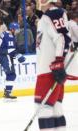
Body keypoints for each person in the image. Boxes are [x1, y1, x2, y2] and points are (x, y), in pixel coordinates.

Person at [35, 0, 71, 130]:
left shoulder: (53, 14)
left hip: (48, 71)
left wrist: (59, 62)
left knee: (43, 108)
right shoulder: (45, 18)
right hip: (51, 69)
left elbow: (62, 38)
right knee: (56, 108)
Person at [0, 22, 25, 100]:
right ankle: (7, 92)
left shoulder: (5, 34)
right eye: (16, 29)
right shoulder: (9, 36)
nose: (17, 31)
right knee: (11, 74)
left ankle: (7, 91)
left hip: (3, 55)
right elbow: (11, 50)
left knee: (11, 74)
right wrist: (18, 55)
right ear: (12, 29)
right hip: (5, 56)